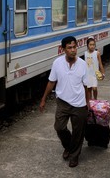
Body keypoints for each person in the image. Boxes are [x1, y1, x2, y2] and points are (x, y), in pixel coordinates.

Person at [39, 36, 90, 168]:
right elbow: (51, 82)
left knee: (78, 132)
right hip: (62, 102)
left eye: (74, 47)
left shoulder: (83, 64)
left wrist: (88, 103)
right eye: (69, 48)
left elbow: (86, 86)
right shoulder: (57, 63)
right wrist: (43, 99)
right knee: (59, 127)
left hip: (79, 103)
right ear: (63, 49)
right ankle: (68, 147)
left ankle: (74, 156)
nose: (73, 50)